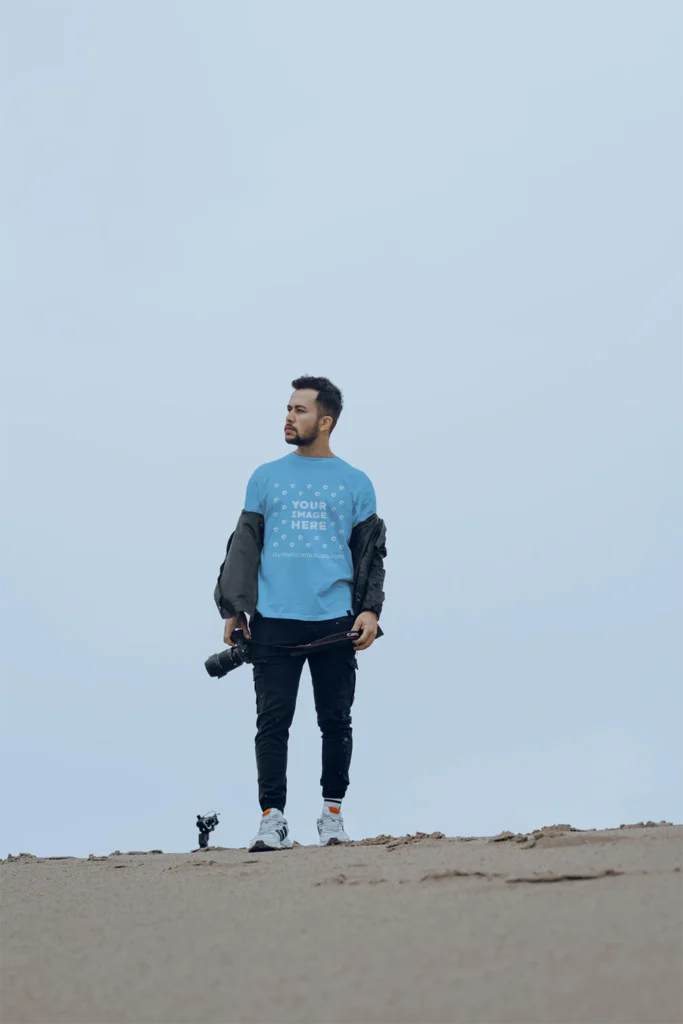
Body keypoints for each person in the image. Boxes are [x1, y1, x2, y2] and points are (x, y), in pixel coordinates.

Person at [214, 376, 387, 852]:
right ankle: (273, 819)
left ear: (325, 421)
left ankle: (332, 817)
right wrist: (235, 610)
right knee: (272, 723)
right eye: (288, 408)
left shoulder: (355, 482)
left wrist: (370, 609)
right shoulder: (265, 476)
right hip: (273, 620)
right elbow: (244, 547)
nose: (289, 417)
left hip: (335, 621)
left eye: (300, 410)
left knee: (336, 721)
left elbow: (370, 553)